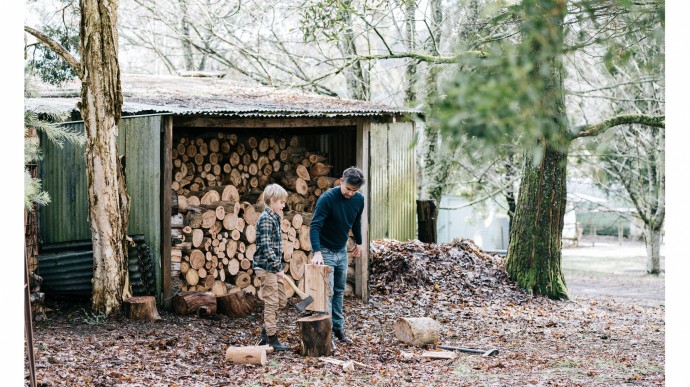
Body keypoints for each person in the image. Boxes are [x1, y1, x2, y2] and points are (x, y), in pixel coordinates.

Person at [309, 166, 365, 347]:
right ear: (341, 181)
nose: (350, 193)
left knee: (340, 291)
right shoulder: (327, 199)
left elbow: (355, 221)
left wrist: (359, 242)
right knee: (327, 292)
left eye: (354, 190)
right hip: (324, 250)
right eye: (348, 188)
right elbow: (315, 226)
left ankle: (338, 329)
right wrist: (317, 252)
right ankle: (326, 333)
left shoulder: (359, 200)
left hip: (341, 250)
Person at [253, 183, 290, 351]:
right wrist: (278, 267)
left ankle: (265, 332)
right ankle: (272, 338)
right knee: (272, 302)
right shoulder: (266, 219)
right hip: (266, 267)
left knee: (281, 301)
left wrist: (278, 267)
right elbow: (265, 247)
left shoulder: (275, 217)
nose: (284, 205)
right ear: (272, 200)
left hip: (273, 267)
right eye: (281, 202)